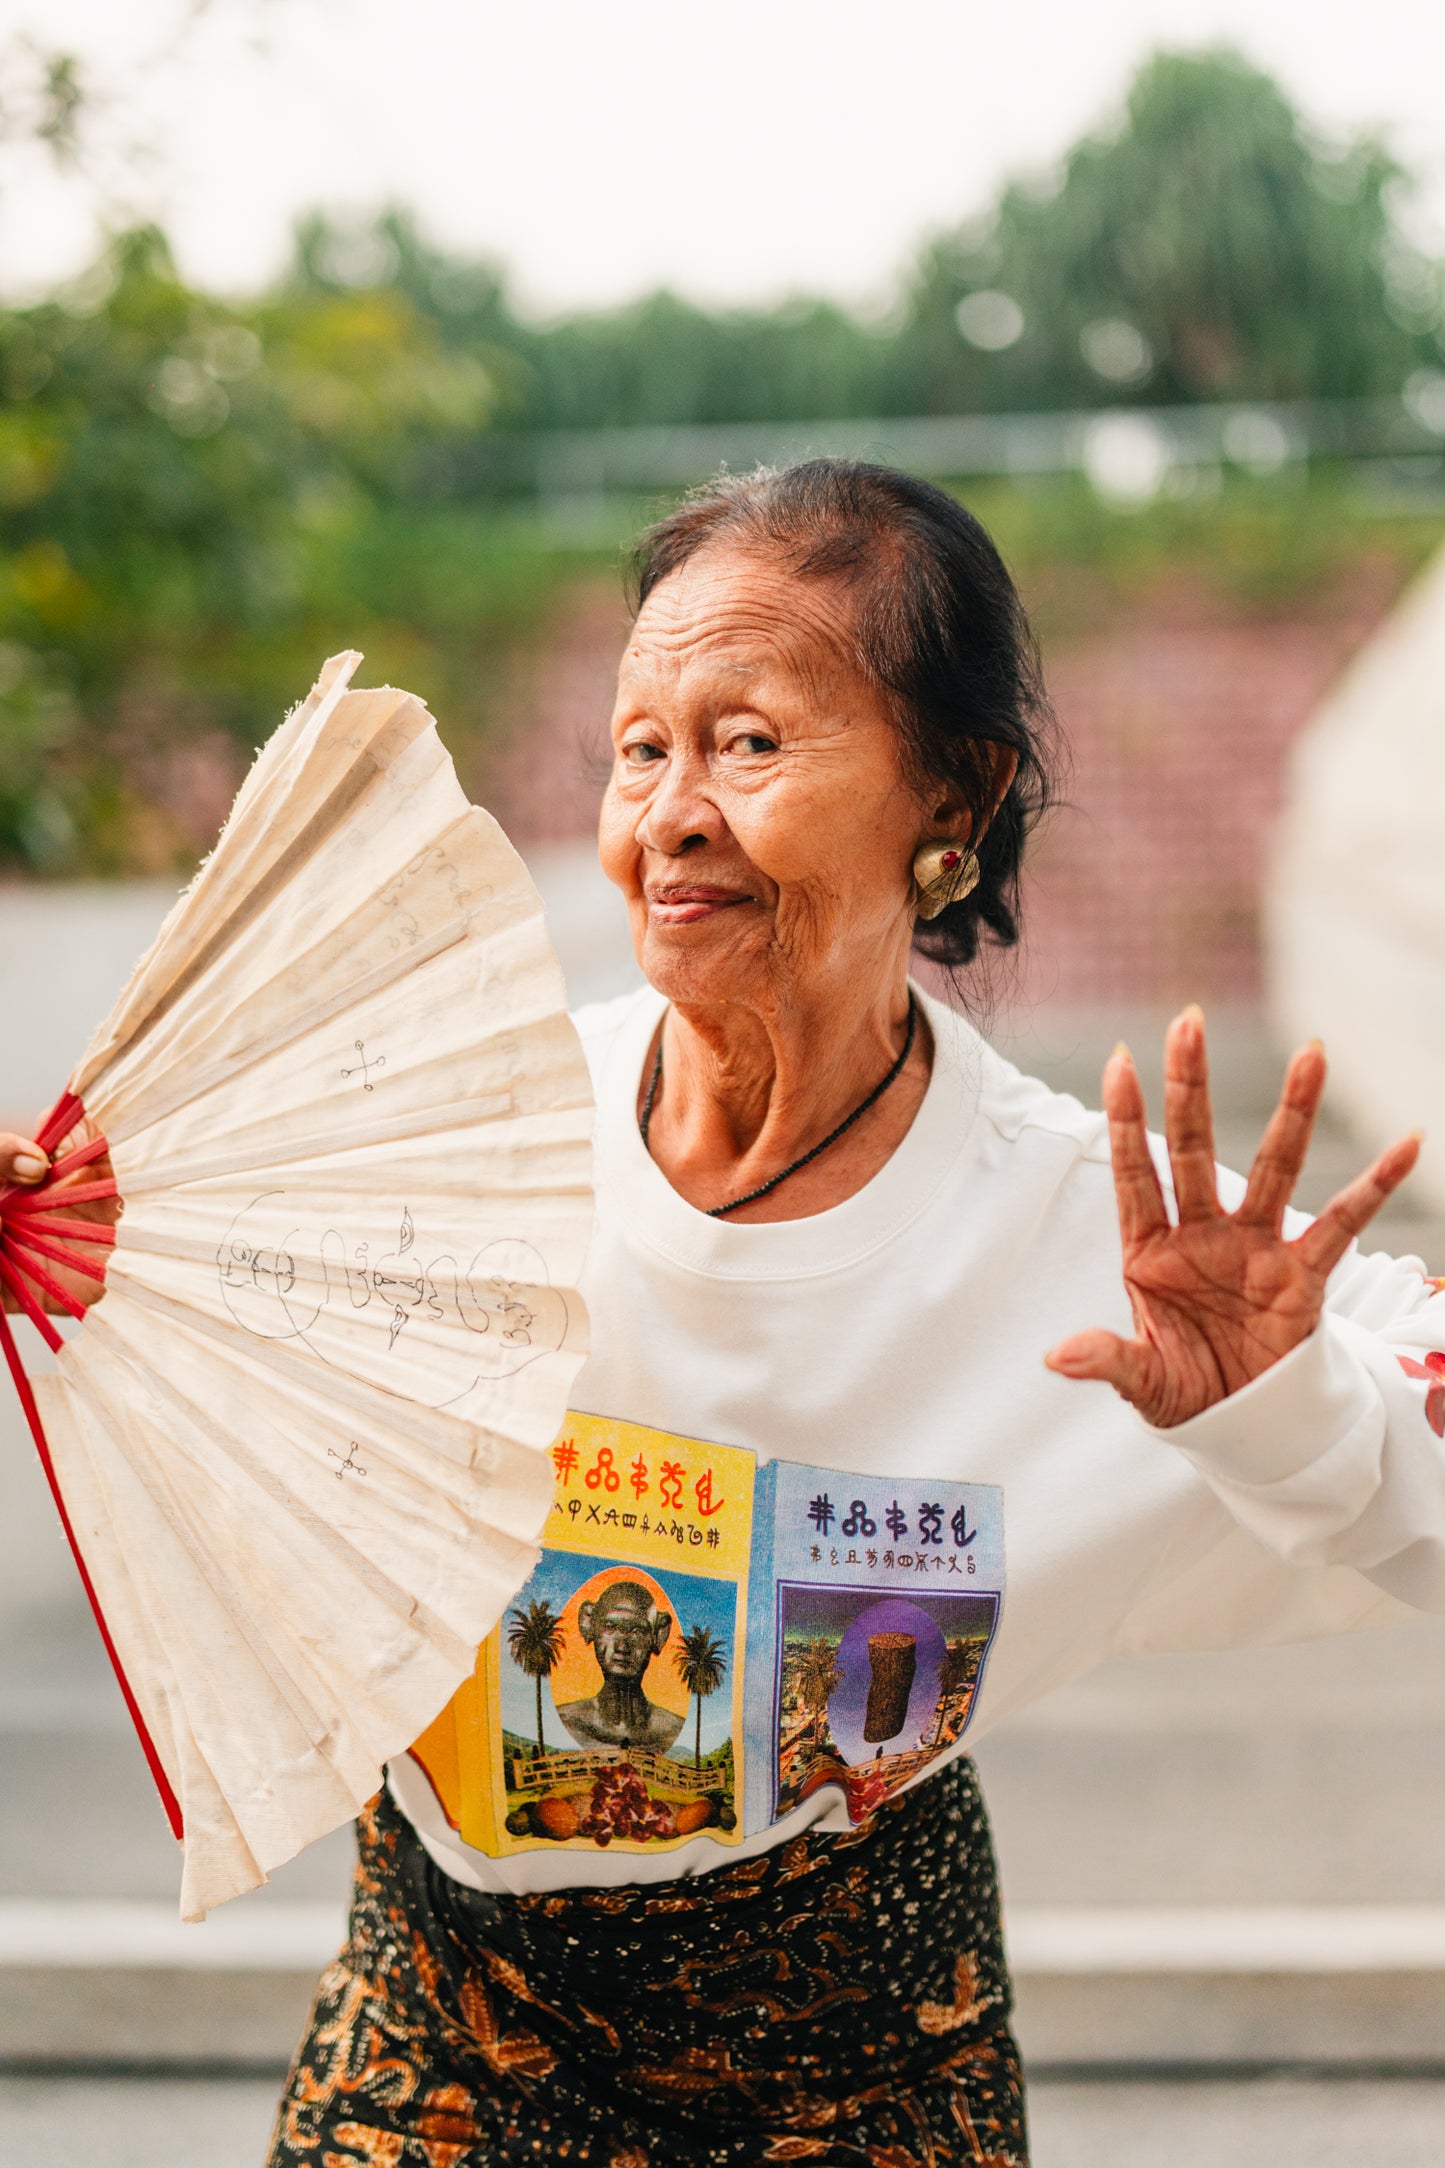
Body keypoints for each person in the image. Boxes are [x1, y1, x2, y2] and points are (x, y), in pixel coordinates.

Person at [5, 459, 1442, 2166]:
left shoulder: (1115, 1245)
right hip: (447, 2018)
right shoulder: (448, 1133)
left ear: (952, 798)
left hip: (859, 2046)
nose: (672, 810)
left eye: (751, 741)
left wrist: (1276, 1407)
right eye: (641, 747)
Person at [555, 1579, 684, 1752]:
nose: (622, 1647)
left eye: (636, 1631)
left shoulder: (673, 1729)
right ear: (588, 1623)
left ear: (659, 1633)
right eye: (610, 1628)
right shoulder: (567, 1720)